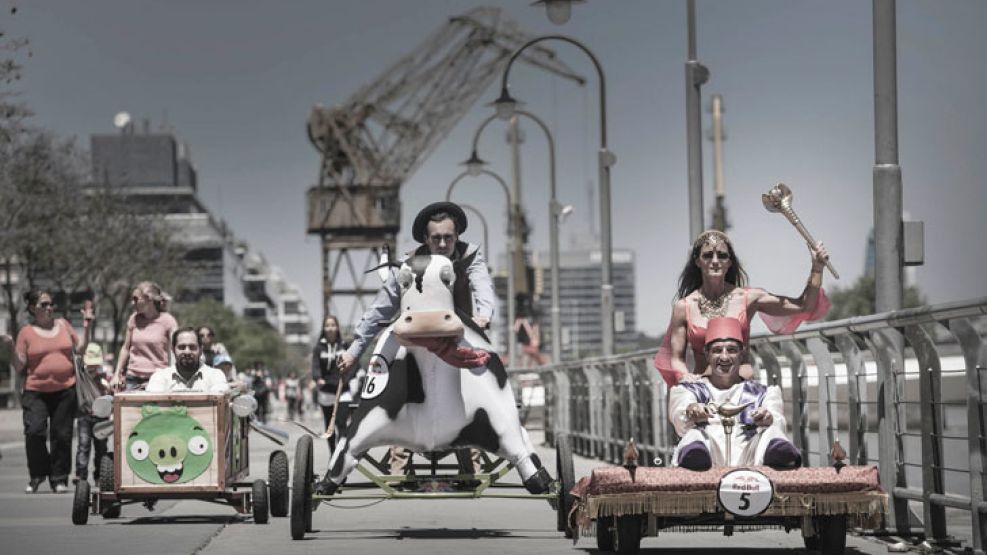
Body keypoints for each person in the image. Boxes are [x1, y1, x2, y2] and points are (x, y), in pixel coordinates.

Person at [336, 201, 495, 476]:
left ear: (457, 236)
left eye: (449, 237)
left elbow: (483, 287)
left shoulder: (471, 256)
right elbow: (379, 310)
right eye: (436, 238)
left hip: (458, 339)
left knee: (473, 390)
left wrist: (483, 316)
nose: (443, 243)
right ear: (425, 238)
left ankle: (472, 465)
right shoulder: (407, 265)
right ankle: (399, 462)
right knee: (403, 386)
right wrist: (353, 352)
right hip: (416, 343)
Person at [655, 229, 831, 388]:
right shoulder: (684, 307)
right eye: (708, 255)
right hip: (702, 392)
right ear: (698, 262)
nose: (715, 261)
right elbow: (676, 359)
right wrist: (685, 378)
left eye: (722, 256)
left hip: (742, 391)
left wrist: (817, 269)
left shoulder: (748, 299)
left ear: (729, 262)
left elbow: (804, 305)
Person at [669, 317, 801, 470]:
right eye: (717, 350)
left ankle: (779, 459)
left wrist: (768, 418)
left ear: (741, 354)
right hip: (709, 461)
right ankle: (695, 457)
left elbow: (778, 422)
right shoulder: (688, 390)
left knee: (771, 433)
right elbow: (680, 419)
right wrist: (691, 411)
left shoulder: (763, 393)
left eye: (731, 350)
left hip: (750, 464)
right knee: (694, 436)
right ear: (707, 354)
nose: (724, 357)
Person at [0, 289, 93, 493]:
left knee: (62, 435)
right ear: (33, 308)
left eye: (51, 304)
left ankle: (59, 478)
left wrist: (87, 326)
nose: (49, 308)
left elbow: (80, 350)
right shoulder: (26, 332)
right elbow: (19, 366)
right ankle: (38, 474)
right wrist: (10, 347)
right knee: (34, 431)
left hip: (65, 390)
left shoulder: (63, 325)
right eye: (44, 304)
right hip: (35, 391)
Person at [112, 281, 178, 391]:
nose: (133, 303)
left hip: (158, 379)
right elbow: (125, 348)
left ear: (149, 299)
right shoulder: (133, 319)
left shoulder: (168, 321)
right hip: (132, 378)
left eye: (136, 299)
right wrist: (116, 374)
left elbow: (175, 350)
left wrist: (173, 376)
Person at [146, 327, 230, 393]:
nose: (187, 351)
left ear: (201, 350)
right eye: (182, 347)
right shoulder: (160, 377)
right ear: (173, 350)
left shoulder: (215, 376)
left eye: (192, 347)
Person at [311, 315, 351, 453]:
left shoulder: (345, 345)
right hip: (326, 392)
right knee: (329, 427)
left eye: (333, 325)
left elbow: (353, 363)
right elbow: (315, 366)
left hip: (343, 390)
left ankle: (342, 455)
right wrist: (317, 378)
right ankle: (333, 455)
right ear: (323, 328)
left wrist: (349, 377)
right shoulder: (318, 348)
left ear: (337, 327)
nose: (330, 328)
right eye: (327, 325)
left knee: (341, 423)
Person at [74, 342, 112, 485]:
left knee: (101, 448)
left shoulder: (105, 375)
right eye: (90, 364)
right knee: (83, 445)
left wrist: (106, 383)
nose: (92, 367)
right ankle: (80, 475)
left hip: (102, 417)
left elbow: (110, 392)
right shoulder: (81, 374)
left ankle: (99, 476)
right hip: (85, 415)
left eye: (95, 364)